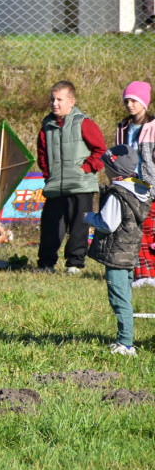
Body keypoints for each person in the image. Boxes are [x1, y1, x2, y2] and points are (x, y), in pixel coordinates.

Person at [84, 145, 151, 356]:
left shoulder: (117, 194)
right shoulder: (138, 190)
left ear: (114, 168)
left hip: (116, 255)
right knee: (125, 296)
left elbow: (107, 223)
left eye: (106, 165)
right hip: (129, 253)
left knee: (119, 298)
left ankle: (126, 344)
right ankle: (125, 340)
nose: (103, 168)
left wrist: (89, 217)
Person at [36, 80, 106, 274]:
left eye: (59, 99)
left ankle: (75, 264)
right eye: (52, 99)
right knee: (50, 225)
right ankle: (46, 263)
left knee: (79, 226)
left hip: (80, 185)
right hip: (55, 186)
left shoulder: (84, 123)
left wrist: (85, 168)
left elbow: (100, 150)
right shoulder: (46, 125)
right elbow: (42, 154)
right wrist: (48, 173)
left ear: (72, 101)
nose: (54, 103)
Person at [114, 82, 155, 288]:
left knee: (150, 232)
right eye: (127, 101)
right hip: (129, 188)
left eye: (134, 101)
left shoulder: (153, 127)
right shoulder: (122, 128)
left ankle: (151, 273)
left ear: (144, 103)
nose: (130, 105)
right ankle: (142, 274)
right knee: (133, 231)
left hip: (149, 188)